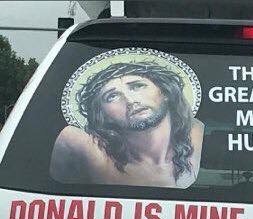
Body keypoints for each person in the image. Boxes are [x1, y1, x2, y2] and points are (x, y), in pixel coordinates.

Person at [50, 61, 204, 188]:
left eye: (137, 86)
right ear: (103, 115)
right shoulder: (92, 152)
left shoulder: (198, 136)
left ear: (165, 92)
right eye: (112, 96)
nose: (130, 100)